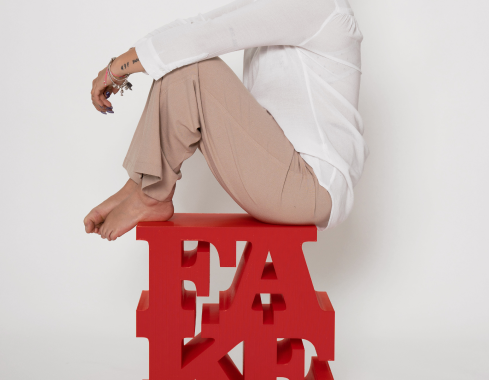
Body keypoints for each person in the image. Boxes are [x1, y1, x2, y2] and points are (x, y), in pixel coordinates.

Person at [84, 0, 369, 241]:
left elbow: (202, 38)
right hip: (288, 175)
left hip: (310, 188)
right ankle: (140, 186)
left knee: (192, 67)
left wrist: (117, 70)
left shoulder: (317, 5)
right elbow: (196, 25)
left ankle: (150, 196)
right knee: (180, 62)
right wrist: (121, 62)